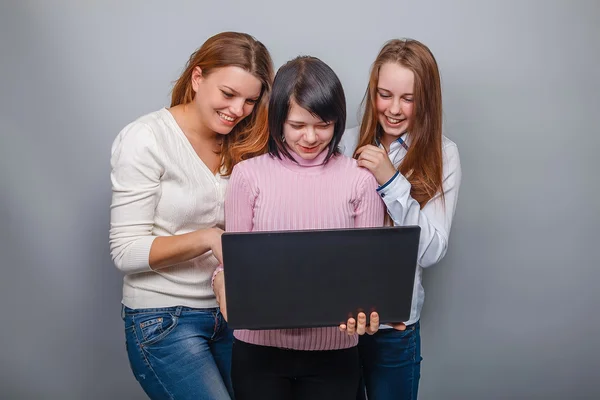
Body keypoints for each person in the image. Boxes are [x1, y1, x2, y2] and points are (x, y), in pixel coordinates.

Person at [109, 31, 273, 400]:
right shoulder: (146, 138)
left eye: (250, 100)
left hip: (235, 312)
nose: (237, 110)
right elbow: (125, 251)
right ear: (197, 79)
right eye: (228, 94)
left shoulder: (247, 140)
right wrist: (208, 238)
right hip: (164, 317)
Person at [212, 56, 384, 400]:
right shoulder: (248, 176)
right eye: (297, 125)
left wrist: (372, 309)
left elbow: (370, 274)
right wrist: (222, 283)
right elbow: (231, 261)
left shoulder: (360, 180)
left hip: (335, 355)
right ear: (278, 120)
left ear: (338, 121)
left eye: (323, 125)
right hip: (258, 353)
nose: (310, 137)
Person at [339, 38, 462, 400]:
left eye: (407, 99)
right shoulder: (343, 145)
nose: (393, 109)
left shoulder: (443, 154)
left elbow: (431, 252)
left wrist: (392, 181)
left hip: (395, 330)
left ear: (426, 101)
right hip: (337, 325)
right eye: (384, 94)